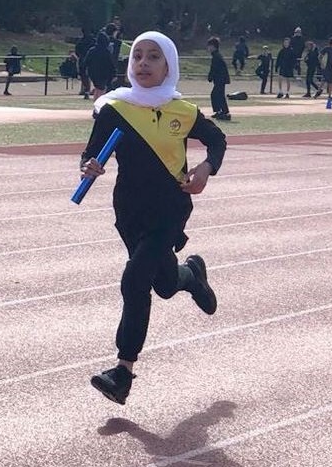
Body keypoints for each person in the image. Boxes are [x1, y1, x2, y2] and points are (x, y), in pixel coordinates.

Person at [80, 31, 226, 406]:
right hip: (129, 211)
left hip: (170, 209)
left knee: (134, 280)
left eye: (153, 57)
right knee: (162, 283)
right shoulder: (113, 107)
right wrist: (90, 166)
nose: (142, 63)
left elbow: (217, 140)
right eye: (138, 56)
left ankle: (123, 371)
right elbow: (91, 153)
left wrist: (206, 169)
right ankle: (190, 274)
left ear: (169, 66)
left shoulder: (184, 111)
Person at [85, 32, 116, 101]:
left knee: (98, 88)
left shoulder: (92, 50)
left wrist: (85, 70)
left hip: (93, 73)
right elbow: (111, 64)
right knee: (101, 89)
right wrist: (114, 73)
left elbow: (86, 62)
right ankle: (98, 104)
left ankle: (96, 103)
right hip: (103, 74)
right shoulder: (106, 51)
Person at [206, 37, 231, 120]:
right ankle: (220, 111)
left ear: (213, 46)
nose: (208, 48)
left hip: (220, 79)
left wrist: (210, 76)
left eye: (209, 46)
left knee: (217, 95)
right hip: (220, 79)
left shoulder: (216, 56)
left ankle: (225, 113)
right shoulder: (216, 56)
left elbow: (214, 69)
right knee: (217, 95)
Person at [318, 36, 332, 101]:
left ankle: (326, 93)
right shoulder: (327, 48)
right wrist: (321, 62)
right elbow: (320, 55)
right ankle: (323, 92)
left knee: (329, 81)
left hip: (331, 67)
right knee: (326, 80)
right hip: (325, 67)